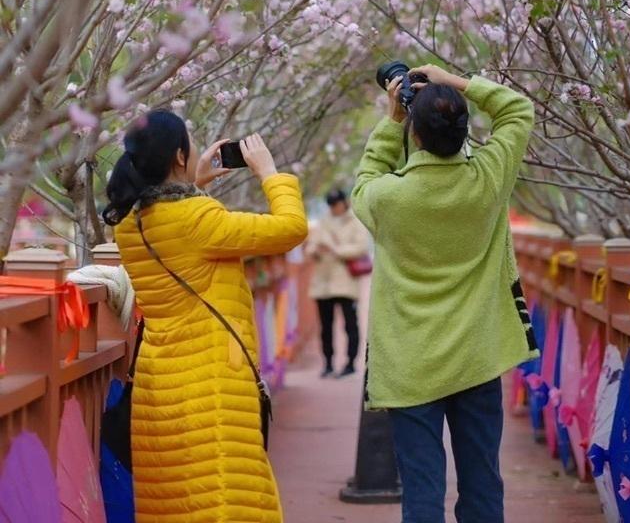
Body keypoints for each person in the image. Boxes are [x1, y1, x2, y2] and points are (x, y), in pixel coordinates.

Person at [352, 63, 536, 523]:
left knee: (421, 490)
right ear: (463, 131)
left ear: (415, 135)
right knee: (482, 484)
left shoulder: (389, 198)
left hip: (410, 365)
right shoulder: (489, 178)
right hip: (476, 356)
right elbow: (518, 110)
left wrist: (393, 117)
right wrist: (453, 81)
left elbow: (365, 179)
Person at [102, 110, 308, 523]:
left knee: (173, 503)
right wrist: (269, 173)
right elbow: (291, 228)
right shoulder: (198, 220)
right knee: (225, 500)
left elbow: (171, 225)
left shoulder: (129, 223)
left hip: (160, 387)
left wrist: (192, 183)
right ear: (180, 155)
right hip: (211, 382)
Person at [307, 187, 371, 378]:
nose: (334, 208)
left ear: (344, 203)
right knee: (326, 326)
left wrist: (335, 249)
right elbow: (310, 248)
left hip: (345, 281)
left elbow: (361, 247)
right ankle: (328, 363)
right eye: (331, 204)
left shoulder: (355, 221)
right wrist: (316, 250)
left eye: (336, 203)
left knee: (350, 325)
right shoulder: (323, 222)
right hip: (323, 282)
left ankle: (351, 363)